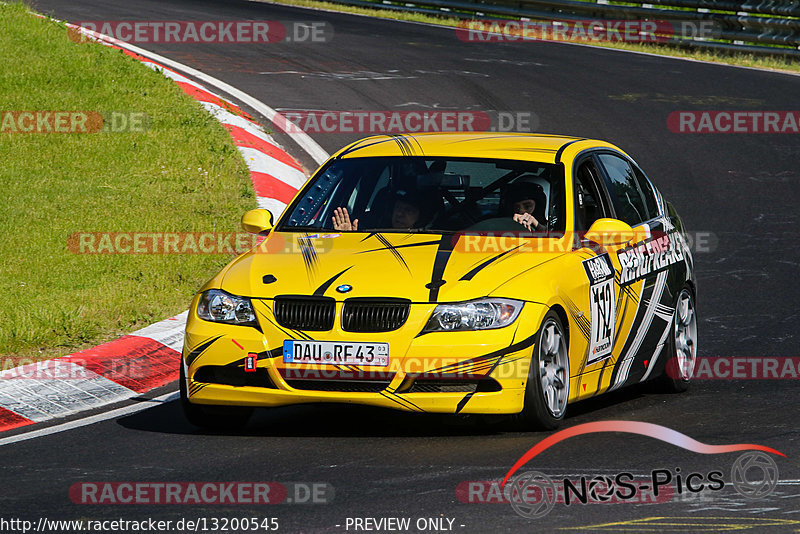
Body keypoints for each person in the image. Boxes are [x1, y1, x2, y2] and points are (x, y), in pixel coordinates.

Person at [331, 189, 431, 231]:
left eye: (408, 211)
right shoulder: (371, 234)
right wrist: (347, 238)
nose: (400, 214)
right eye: (398, 208)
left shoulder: (429, 244)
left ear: (420, 217)